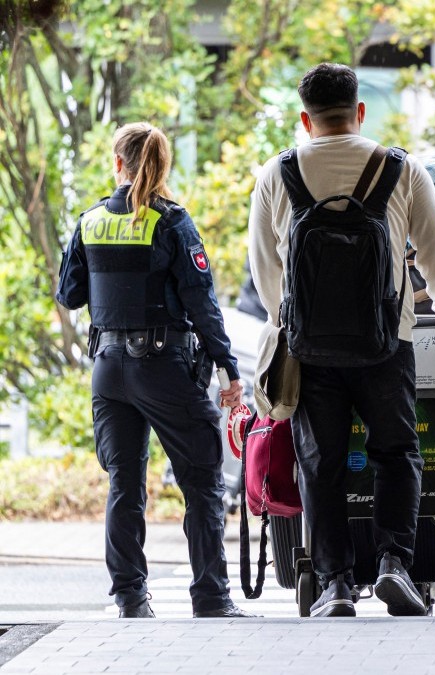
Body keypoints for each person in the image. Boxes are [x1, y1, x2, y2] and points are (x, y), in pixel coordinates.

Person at [248, 63, 435, 618]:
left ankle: (335, 584)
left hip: (311, 351)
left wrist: (293, 319)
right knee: (397, 452)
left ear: (305, 119)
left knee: (320, 461)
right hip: (386, 342)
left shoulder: (275, 174)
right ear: (360, 112)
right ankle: (395, 564)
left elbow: (265, 271)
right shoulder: (403, 169)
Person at [55, 122, 256, 619]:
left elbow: (70, 295)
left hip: (108, 370)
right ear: (164, 167)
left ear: (117, 164)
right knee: (203, 479)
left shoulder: (90, 220)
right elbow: (204, 306)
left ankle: (130, 597)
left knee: (124, 482)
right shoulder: (172, 223)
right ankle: (210, 596)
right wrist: (229, 371)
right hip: (164, 367)